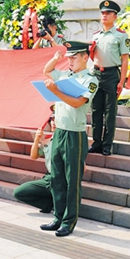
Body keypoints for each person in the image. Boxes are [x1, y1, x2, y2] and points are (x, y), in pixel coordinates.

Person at [39, 41, 98, 237]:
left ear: (85, 57)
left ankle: (69, 220)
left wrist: (55, 91)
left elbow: (77, 103)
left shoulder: (89, 80)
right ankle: (58, 217)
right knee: (57, 178)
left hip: (74, 134)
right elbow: (47, 71)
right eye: (68, 57)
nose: (70, 60)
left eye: (74, 57)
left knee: (72, 180)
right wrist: (55, 59)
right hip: (60, 132)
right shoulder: (66, 76)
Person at [90, 0, 129, 156]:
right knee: (95, 110)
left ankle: (107, 145)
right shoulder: (96, 35)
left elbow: (125, 59)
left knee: (110, 111)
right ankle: (96, 142)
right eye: (102, 13)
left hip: (112, 74)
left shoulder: (120, 35)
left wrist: (122, 81)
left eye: (108, 13)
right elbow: (91, 56)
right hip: (96, 74)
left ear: (115, 16)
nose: (104, 15)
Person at [13, 114, 55, 214]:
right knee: (19, 192)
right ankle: (48, 204)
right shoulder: (48, 140)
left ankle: (56, 203)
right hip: (49, 177)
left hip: (61, 178)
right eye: (52, 119)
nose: (54, 123)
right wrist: (37, 139)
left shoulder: (66, 140)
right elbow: (34, 156)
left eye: (56, 119)